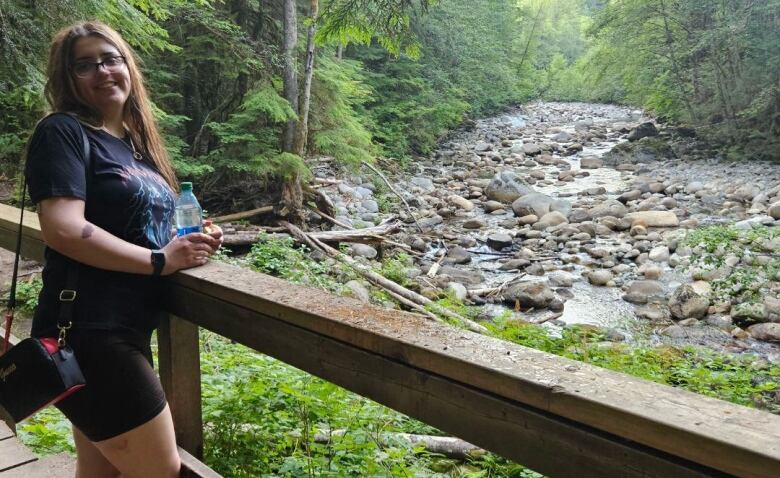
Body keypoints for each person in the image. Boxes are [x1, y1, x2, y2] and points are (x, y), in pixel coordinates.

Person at [24, 21, 222, 478]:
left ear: (128, 66)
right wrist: (160, 261)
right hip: (90, 333)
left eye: (111, 59)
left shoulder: (135, 147)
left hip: (127, 328)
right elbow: (64, 229)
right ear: (67, 78)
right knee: (162, 472)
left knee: (102, 473)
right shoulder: (64, 133)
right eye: (85, 65)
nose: (103, 71)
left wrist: (191, 238)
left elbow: (145, 226)